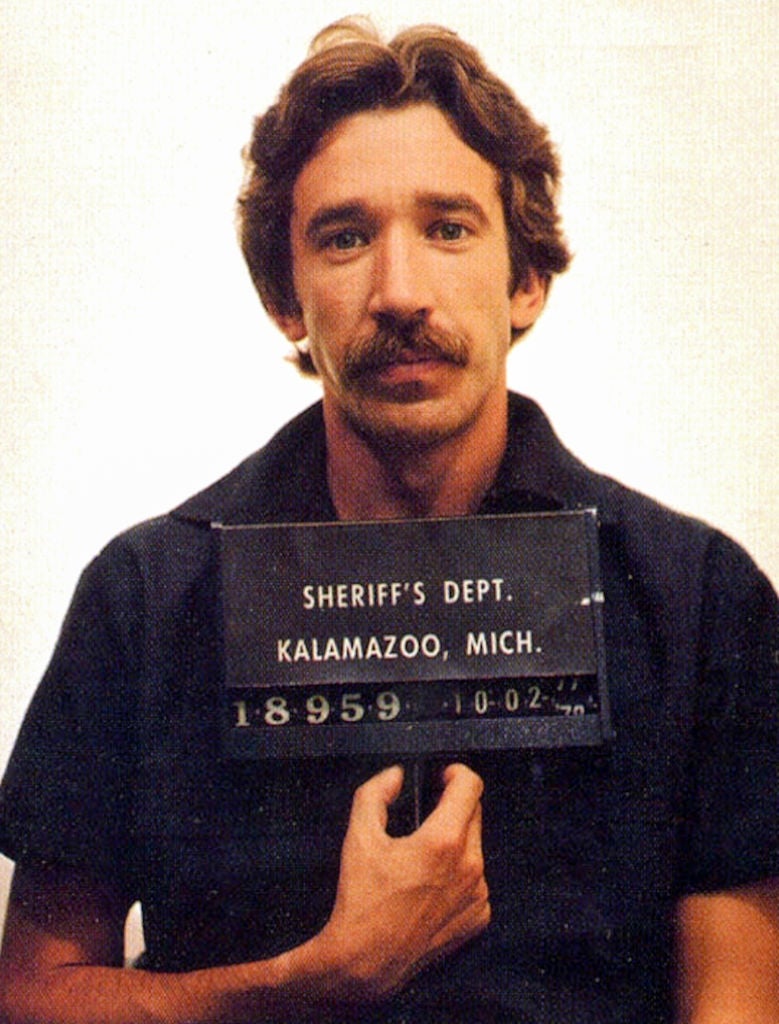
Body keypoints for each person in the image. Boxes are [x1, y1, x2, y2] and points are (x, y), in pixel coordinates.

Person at [0, 16, 777, 1023]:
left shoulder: (697, 599)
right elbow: (34, 997)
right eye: (345, 237)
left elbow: (737, 1002)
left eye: (447, 228)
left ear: (524, 280)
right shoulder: (148, 596)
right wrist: (310, 982)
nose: (399, 292)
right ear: (285, 298)